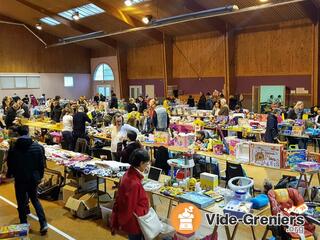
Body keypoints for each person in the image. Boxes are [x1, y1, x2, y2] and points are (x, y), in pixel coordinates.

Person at [6, 126, 48, 235]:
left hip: (20, 178)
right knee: (35, 200)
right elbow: (41, 165)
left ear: (18, 134)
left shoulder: (14, 148)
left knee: (21, 201)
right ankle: (43, 223)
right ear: (28, 133)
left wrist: (9, 174)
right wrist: (40, 176)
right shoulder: (37, 147)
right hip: (33, 178)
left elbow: (11, 165)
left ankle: (24, 225)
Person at [111, 149, 150, 240]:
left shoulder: (127, 175)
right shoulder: (134, 183)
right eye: (146, 164)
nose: (147, 166)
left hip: (133, 218)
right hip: (135, 221)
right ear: (141, 163)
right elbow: (129, 206)